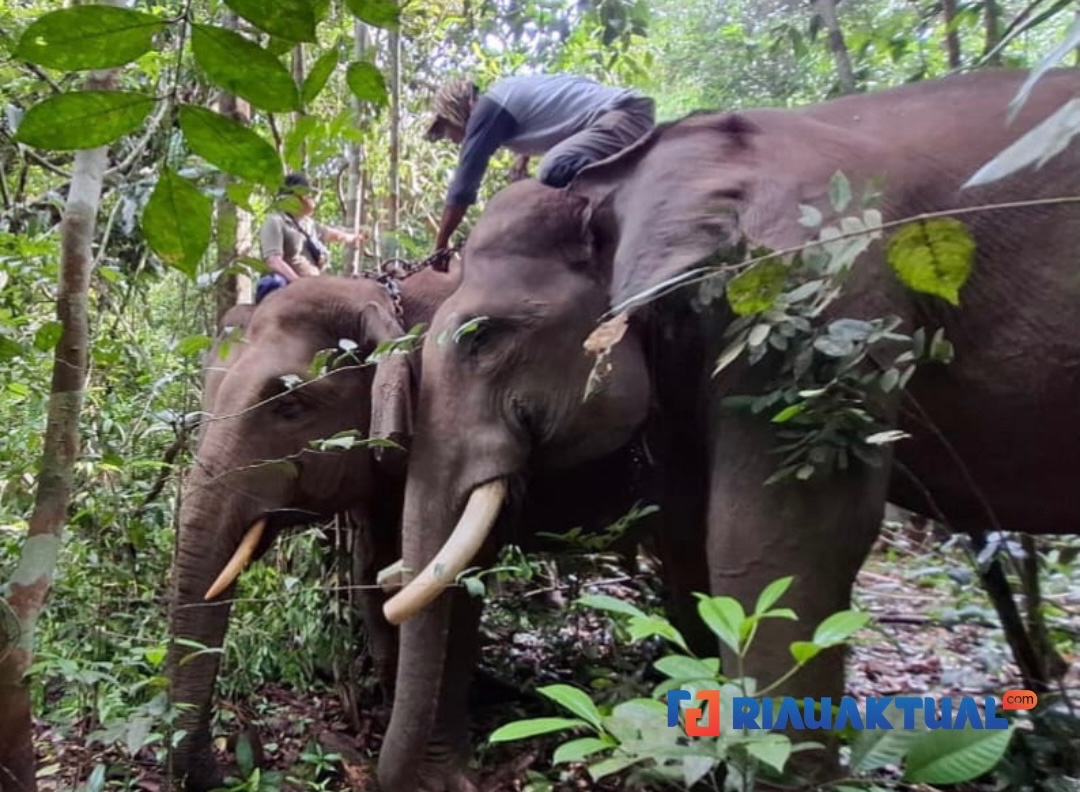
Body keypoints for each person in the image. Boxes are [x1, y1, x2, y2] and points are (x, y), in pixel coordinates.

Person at [425, 73, 654, 256]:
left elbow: (463, 188)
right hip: (624, 112)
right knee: (553, 171)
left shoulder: (486, 110)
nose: (452, 140)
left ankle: (629, 208)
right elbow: (551, 110)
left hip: (621, 116)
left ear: (455, 112)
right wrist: (523, 155)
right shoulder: (505, 97)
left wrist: (441, 243)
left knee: (554, 167)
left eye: (446, 131)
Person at [255, 172, 366, 303]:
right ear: (293, 197)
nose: (312, 199)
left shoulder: (309, 224)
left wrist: (354, 237)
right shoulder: (275, 221)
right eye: (308, 195)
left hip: (314, 285)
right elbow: (273, 260)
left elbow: (332, 234)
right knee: (273, 283)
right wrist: (299, 284)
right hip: (288, 286)